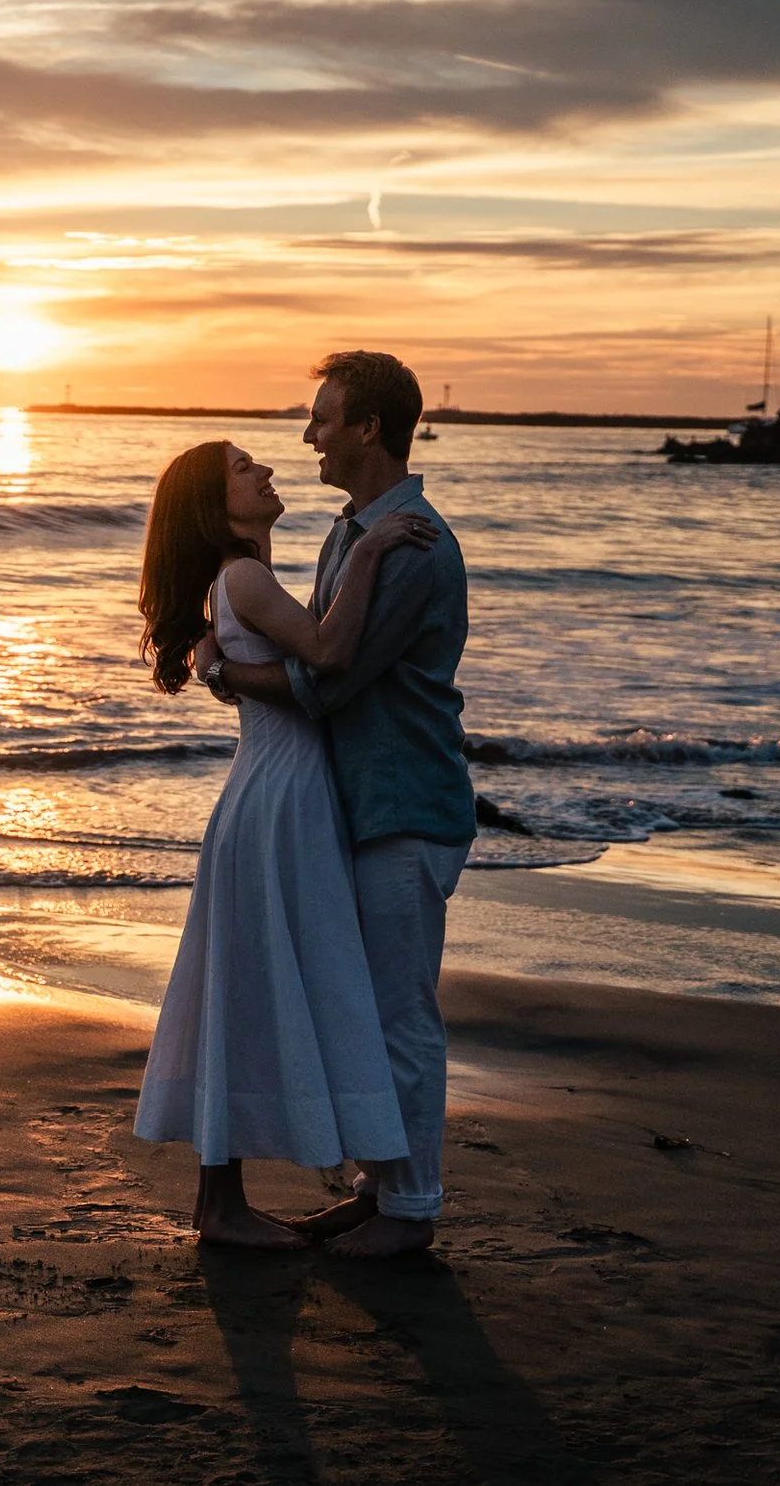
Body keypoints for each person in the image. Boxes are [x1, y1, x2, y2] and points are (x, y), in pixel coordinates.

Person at [196, 350, 475, 1258]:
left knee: (398, 1015)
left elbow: (329, 680)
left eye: (322, 418)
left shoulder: (411, 543)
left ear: (368, 428)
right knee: (365, 1006)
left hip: (404, 805)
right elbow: (318, 646)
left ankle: (412, 1210)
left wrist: (224, 673)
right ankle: (380, 1188)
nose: (309, 436)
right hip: (358, 806)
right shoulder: (351, 533)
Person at [132, 437, 436, 1248]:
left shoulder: (238, 582)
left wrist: (221, 669)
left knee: (246, 984)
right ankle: (225, 1207)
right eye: (243, 468)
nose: (265, 470)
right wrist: (368, 553)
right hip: (281, 801)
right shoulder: (243, 578)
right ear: (214, 505)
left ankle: (223, 1202)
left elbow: (294, 663)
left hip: (274, 796)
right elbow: (330, 655)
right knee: (266, 981)